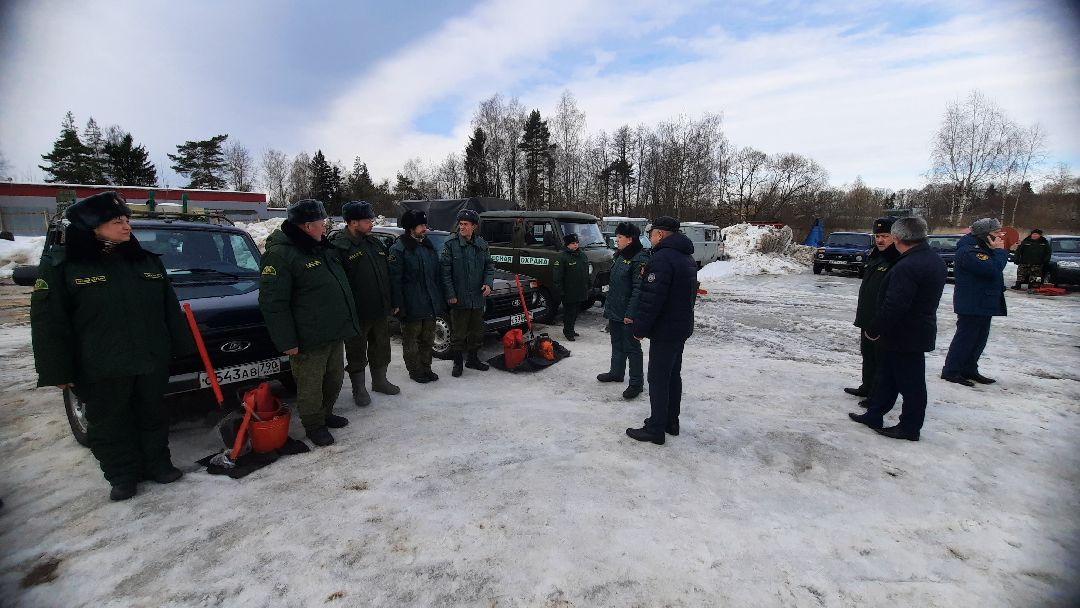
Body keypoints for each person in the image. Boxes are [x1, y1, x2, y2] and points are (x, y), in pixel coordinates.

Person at [31, 192, 195, 501]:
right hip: (101, 364)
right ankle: (121, 475)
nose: (126, 227)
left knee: (152, 414)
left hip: (149, 359)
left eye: (126, 220)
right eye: (116, 221)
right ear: (93, 228)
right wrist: (58, 370)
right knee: (109, 421)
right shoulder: (66, 268)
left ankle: (158, 464)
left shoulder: (144, 262)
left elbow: (169, 309)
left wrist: (180, 348)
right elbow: (49, 323)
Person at [259, 199, 360, 447]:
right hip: (308, 337)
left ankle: (325, 413)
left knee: (334, 378)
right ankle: (314, 424)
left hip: (333, 331)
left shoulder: (321, 247)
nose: (325, 227)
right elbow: (273, 303)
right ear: (306, 226)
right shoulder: (281, 254)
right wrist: (287, 341)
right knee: (311, 384)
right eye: (321, 223)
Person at [849, 216, 946, 441]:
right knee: (887, 376)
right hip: (912, 331)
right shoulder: (932, 259)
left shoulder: (908, 265)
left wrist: (875, 328)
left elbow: (895, 305)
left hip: (905, 334)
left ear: (898, 237)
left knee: (911, 384)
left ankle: (910, 427)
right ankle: (874, 414)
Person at [625, 216, 697, 445]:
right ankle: (670, 422)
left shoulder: (663, 258)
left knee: (657, 378)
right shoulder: (686, 256)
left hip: (665, 330)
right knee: (672, 376)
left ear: (661, 234)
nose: (650, 237)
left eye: (652, 233)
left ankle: (656, 429)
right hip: (680, 327)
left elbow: (652, 300)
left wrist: (640, 329)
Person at [330, 201, 400, 406]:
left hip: (379, 309)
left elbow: (387, 275)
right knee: (356, 351)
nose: (371, 223)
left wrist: (392, 301)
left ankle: (380, 381)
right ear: (352, 222)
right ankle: (358, 389)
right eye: (367, 220)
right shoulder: (339, 246)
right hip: (357, 313)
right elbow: (336, 284)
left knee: (381, 347)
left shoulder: (375, 243)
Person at [940, 217, 1008, 387]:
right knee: (966, 338)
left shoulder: (984, 248)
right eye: (996, 233)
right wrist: (1001, 251)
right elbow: (992, 269)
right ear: (985, 234)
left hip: (984, 301)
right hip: (972, 302)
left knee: (979, 339)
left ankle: (969, 368)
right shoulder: (970, 251)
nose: (1000, 235)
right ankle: (952, 370)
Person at [844, 217, 900, 406]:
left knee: (881, 358)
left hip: (882, 318)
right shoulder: (876, 255)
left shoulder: (897, 258)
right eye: (878, 235)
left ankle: (878, 394)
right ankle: (867, 387)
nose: (880, 240)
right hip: (867, 316)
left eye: (885, 236)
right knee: (867, 354)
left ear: (896, 236)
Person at [389, 209, 446, 384]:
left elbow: (435, 275)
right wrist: (397, 304)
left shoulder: (427, 246)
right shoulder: (399, 249)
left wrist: (439, 298)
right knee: (411, 341)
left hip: (429, 302)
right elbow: (394, 280)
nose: (425, 228)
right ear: (410, 228)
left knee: (427, 339)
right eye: (421, 225)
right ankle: (415, 371)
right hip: (411, 303)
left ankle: (426, 368)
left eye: (425, 224)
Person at [598, 221, 649, 399]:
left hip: (628, 313)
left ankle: (636, 383)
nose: (616, 240)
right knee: (617, 343)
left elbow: (638, 289)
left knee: (632, 348)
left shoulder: (639, 259)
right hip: (615, 310)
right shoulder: (620, 255)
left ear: (630, 239)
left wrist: (631, 314)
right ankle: (616, 373)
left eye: (619, 237)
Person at [441, 208, 495, 377]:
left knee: (476, 331)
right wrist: (450, 294)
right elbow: (445, 273)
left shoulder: (481, 245)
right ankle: (457, 363)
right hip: (460, 298)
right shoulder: (451, 245)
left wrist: (488, 284)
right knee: (458, 333)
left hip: (477, 298)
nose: (461, 227)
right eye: (460, 224)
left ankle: (473, 359)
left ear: (474, 226)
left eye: (465, 224)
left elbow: (489, 267)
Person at [553, 233, 591, 342]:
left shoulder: (582, 255)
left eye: (577, 243)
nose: (575, 245)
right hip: (568, 291)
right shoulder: (562, 257)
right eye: (573, 243)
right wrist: (559, 291)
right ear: (567, 245)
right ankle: (568, 332)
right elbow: (557, 276)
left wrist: (588, 284)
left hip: (580, 290)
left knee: (575, 312)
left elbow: (586, 272)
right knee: (569, 313)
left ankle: (571, 329)